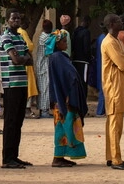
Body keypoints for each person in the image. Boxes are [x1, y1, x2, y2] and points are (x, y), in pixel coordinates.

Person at [48, 29, 87, 167]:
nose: (66, 44)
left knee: (63, 127)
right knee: (64, 127)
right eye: (64, 41)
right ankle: (57, 158)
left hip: (61, 99)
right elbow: (69, 77)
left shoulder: (58, 57)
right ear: (57, 44)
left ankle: (60, 156)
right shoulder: (58, 58)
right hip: (64, 100)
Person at [0, 8, 33, 169]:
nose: (17, 21)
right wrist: (23, 58)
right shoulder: (5, 37)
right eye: (13, 18)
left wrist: (23, 58)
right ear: (7, 20)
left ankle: (15, 155)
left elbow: (29, 60)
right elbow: (16, 60)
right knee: (10, 121)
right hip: (11, 84)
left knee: (18, 122)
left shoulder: (19, 37)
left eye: (18, 18)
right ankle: (7, 158)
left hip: (22, 83)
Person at [101, 13, 124, 170]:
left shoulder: (117, 40)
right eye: (119, 20)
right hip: (114, 86)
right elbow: (123, 63)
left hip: (119, 85)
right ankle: (116, 159)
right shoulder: (109, 42)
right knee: (115, 124)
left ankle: (111, 156)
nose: (123, 22)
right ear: (112, 24)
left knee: (115, 124)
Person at [18, 25, 39, 119]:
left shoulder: (14, 33)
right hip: (26, 64)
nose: (29, 22)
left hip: (19, 64)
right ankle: (27, 109)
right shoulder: (22, 32)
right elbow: (30, 46)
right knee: (29, 86)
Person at [35, 20, 54, 119]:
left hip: (41, 65)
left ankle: (44, 110)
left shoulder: (43, 36)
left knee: (43, 89)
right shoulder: (46, 38)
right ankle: (44, 111)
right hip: (43, 66)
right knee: (44, 89)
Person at [72, 15, 92, 102]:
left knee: (77, 82)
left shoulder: (75, 31)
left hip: (75, 59)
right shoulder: (86, 32)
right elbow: (86, 47)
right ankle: (83, 102)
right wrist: (90, 57)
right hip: (83, 61)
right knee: (84, 82)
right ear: (87, 22)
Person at [94, 25, 107, 116]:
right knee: (104, 88)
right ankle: (100, 110)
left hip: (100, 64)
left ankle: (101, 109)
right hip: (103, 65)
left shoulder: (100, 38)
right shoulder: (106, 39)